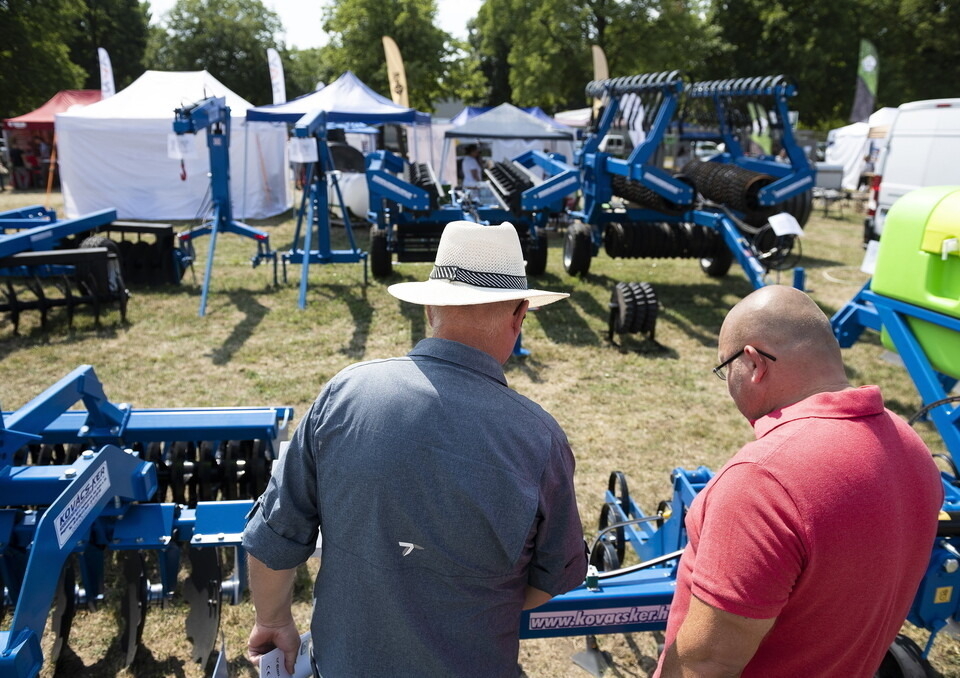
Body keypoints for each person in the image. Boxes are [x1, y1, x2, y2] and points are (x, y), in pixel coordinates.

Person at [243, 220, 588, 677]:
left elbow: (275, 537)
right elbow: (550, 577)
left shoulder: (344, 395)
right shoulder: (541, 440)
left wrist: (273, 620)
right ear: (520, 316)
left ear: (429, 308)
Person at [655, 285, 943, 678]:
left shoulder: (763, 480)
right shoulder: (912, 448)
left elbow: (706, 663)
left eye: (726, 369)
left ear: (754, 363)